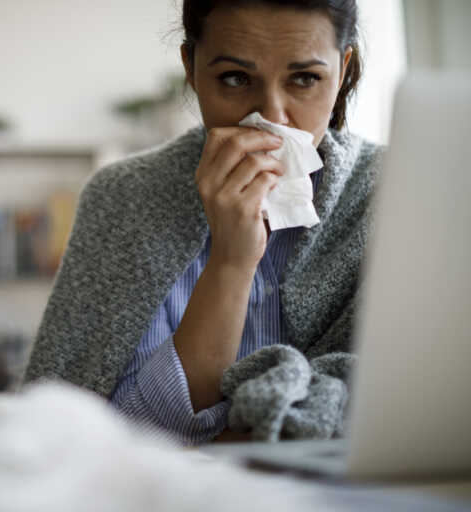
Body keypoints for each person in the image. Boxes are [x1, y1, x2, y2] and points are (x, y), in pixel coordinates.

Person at [24, 0, 384, 444]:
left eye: (305, 79)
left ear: (343, 69)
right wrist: (232, 261)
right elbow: (109, 436)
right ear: (191, 68)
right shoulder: (126, 197)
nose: (272, 117)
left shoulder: (392, 193)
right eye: (235, 78)